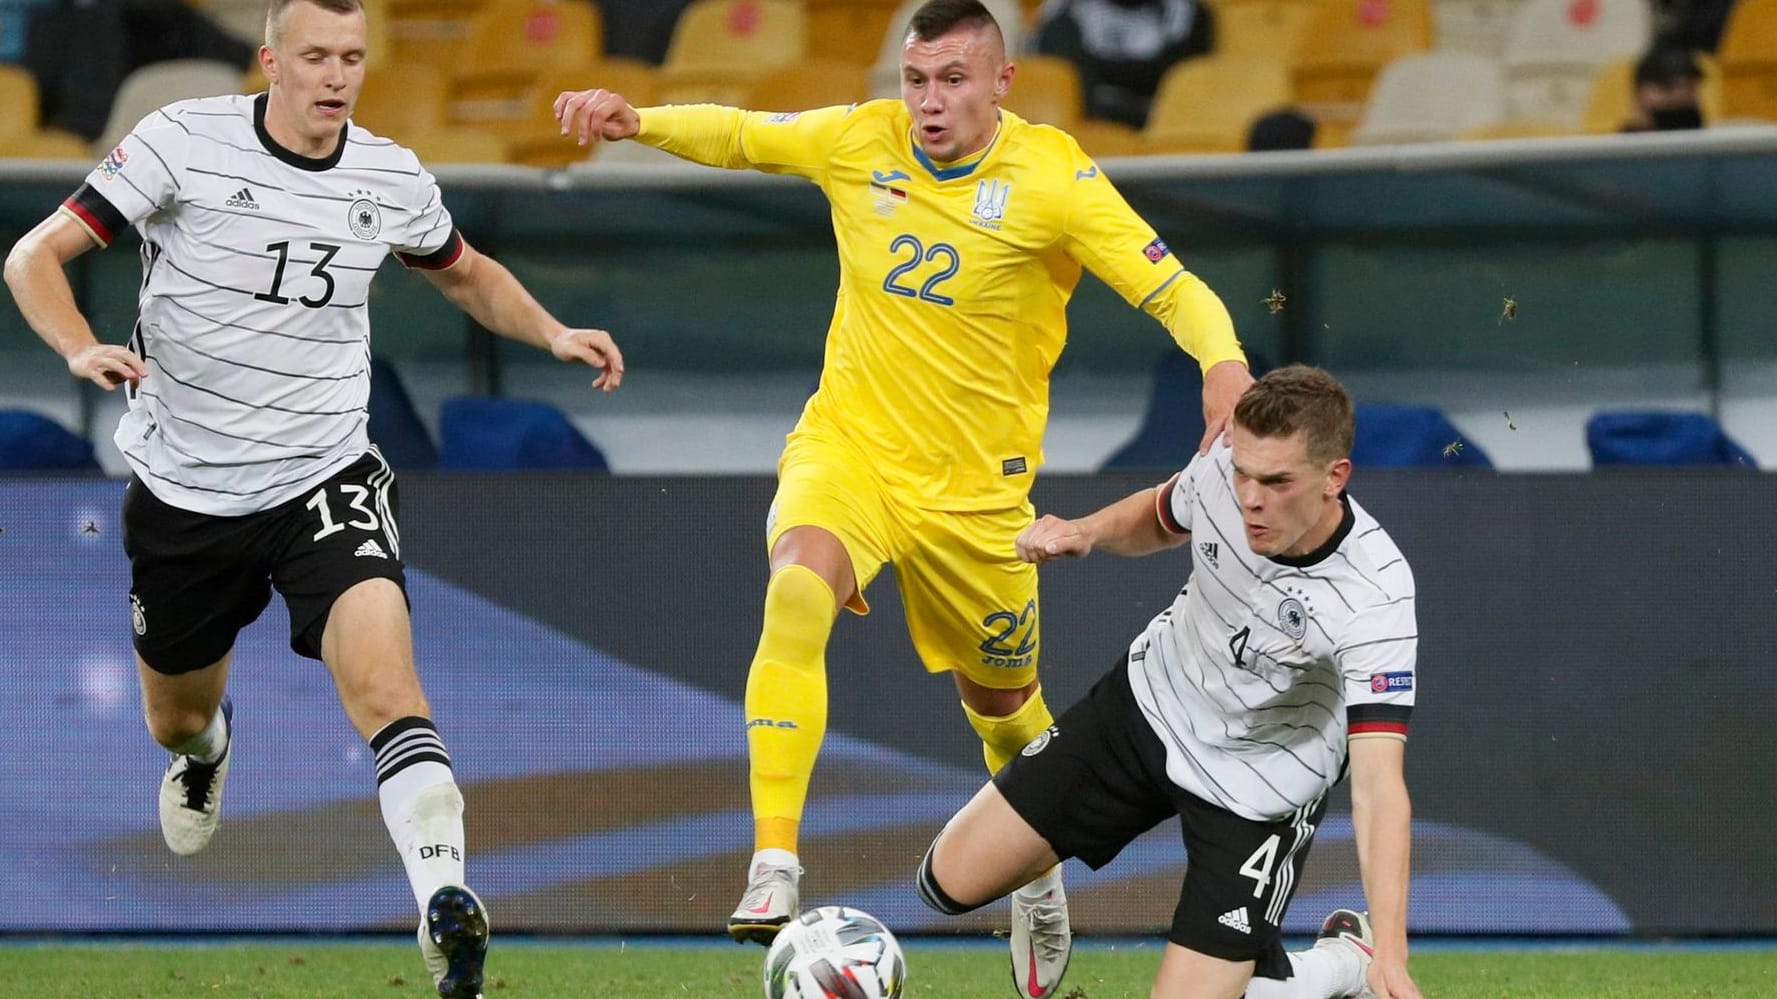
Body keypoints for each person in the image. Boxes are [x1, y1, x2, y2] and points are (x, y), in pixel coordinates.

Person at [553, 2, 1251, 994]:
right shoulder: (859, 140)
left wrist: (1221, 365)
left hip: (977, 505)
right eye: (916, 79)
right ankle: (774, 863)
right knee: (797, 585)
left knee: (1006, 717)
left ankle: (1037, 873)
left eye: (953, 80)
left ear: (1002, 83)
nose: (929, 101)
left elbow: (1173, 287)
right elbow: (748, 136)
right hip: (852, 454)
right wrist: (640, 121)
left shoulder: (1052, 178)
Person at [1, 2, 624, 997]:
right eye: (317, 57)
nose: (336, 76)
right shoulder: (181, 142)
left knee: (387, 690)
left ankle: (443, 905)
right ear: (271, 62)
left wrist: (549, 332)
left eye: (352, 58)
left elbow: (465, 274)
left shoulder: (386, 174)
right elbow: (32, 257)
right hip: (187, 492)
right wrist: (78, 345)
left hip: (322, 477)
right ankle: (207, 749)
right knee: (174, 716)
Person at [916, 366, 1423, 999]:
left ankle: (1346, 963)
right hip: (1150, 704)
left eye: (1276, 482)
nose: (1250, 499)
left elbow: (1379, 786)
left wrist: (1394, 959)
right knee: (945, 882)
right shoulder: (1221, 471)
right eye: (1242, 473)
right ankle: (1042, 871)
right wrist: (1087, 532)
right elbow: (1162, 515)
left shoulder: (1375, 594)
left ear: (1335, 478)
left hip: (1259, 787)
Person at [1030, 0, 1214, 129]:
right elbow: (1069, 77)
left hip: (1160, 119)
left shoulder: (1188, 12)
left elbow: (1180, 78)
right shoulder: (1064, 12)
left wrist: (1106, 72)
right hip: (1093, 121)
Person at [1622, 40, 1707, 132]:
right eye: (1667, 87)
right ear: (1640, 92)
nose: (1680, 96)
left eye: (1690, 87)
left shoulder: (1708, 139)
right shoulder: (1620, 143)